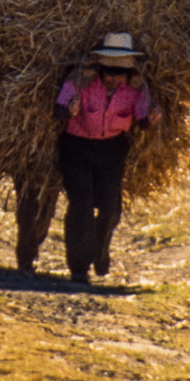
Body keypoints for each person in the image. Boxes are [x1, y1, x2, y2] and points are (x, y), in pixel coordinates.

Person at [51, 32, 162, 284]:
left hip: (112, 150)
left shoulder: (135, 88)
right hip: (76, 148)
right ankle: (79, 268)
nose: (113, 78)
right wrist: (69, 109)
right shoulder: (81, 80)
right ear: (100, 68)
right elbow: (59, 108)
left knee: (110, 209)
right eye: (108, 72)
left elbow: (143, 119)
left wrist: (151, 119)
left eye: (118, 73)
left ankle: (100, 250)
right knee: (81, 205)